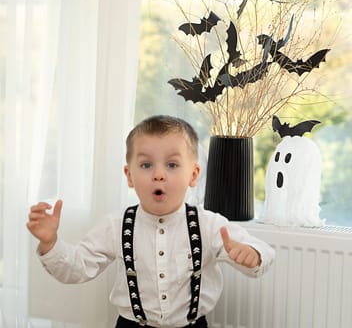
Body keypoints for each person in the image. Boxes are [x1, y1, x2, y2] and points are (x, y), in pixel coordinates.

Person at [27, 115, 275, 328]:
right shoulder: (115, 226)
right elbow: (77, 268)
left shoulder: (209, 225)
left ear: (193, 175)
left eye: (172, 164)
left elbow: (264, 253)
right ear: (129, 176)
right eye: (146, 165)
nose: (158, 174)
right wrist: (51, 243)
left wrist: (253, 254)